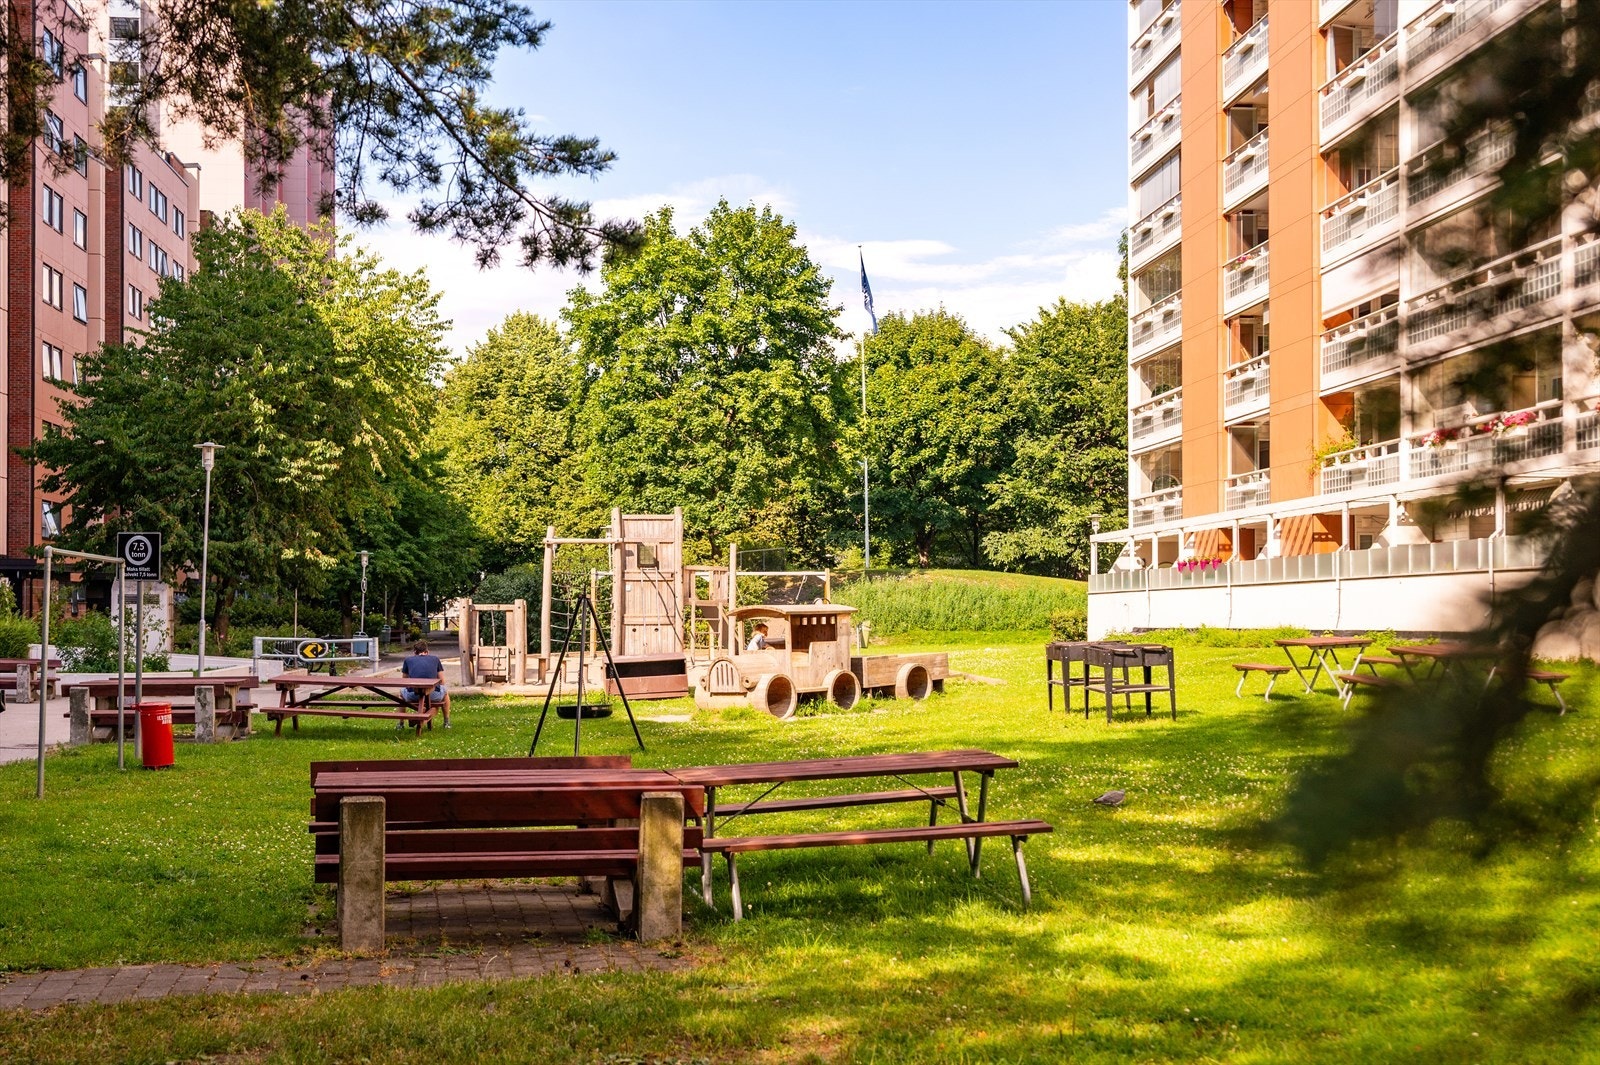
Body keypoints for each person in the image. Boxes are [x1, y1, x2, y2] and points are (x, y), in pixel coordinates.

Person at [400, 639, 451, 727]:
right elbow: (442, 681)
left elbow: (405, 681)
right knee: (445, 693)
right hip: (433, 695)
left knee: (401, 694)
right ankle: (446, 722)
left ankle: (400, 724)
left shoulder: (408, 660)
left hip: (413, 695)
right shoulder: (435, 659)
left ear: (414, 652)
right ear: (427, 652)